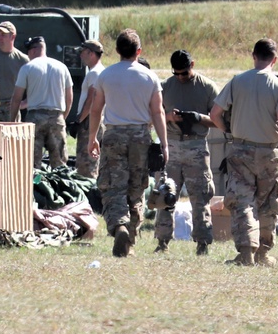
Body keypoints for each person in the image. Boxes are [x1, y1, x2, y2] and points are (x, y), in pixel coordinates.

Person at [209, 39, 278, 266]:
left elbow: (215, 113)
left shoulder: (237, 82)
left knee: (243, 201)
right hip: (269, 152)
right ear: (275, 59)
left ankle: (246, 251)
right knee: (268, 203)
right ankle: (263, 254)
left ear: (253, 56)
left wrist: (228, 130)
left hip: (240, 150)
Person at [89, 28, 167, 258]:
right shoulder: (150, 77)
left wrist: (92, 137)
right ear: (138, 51)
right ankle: (130, 239)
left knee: (113, 187)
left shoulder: (106, 75)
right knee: (136, 188)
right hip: (140, 136)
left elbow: (96, 109)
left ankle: (119, 226)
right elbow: (158, 111)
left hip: (113, 135)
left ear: (117, 51)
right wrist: (163, 143)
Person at [155, 49, 221, 256]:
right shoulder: (165, 87)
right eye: (177, 73)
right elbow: (154, 116)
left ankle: (202, 242)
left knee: (200, 197)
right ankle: (162, 241)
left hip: (196, 147)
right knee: (165, 196)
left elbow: (220, 121)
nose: (181, 77)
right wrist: (169, 118)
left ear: (193, 64)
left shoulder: (207, 87)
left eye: (184, 73)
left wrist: (198, 118)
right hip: (172, 146)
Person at [9, 36, 73, 168]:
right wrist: (62, 117)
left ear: (32, 51)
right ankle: (59, 188)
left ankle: (34, 187)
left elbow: (16, 98)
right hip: (57, 116)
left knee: (32, 163)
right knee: (60, 163)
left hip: (35, 118)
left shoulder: (27, 68)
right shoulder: (62, 67)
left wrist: (13, 121)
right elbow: (69, 98)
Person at [73, 40, 105, 178]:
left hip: (89, 122)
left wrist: (79, 120)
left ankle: (87, 196)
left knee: (86, 166)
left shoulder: (94, 73)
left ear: (91, 53)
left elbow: (91, 100)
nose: (80, 56)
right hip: (95, 121)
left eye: (82, 52)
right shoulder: (100, 71)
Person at [0, 21, 28, 122]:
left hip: (10, 109)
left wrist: (24, 104)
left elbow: (36, 87)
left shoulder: (23, 60)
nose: (0, 38)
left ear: (13, 37)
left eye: (3, 35)